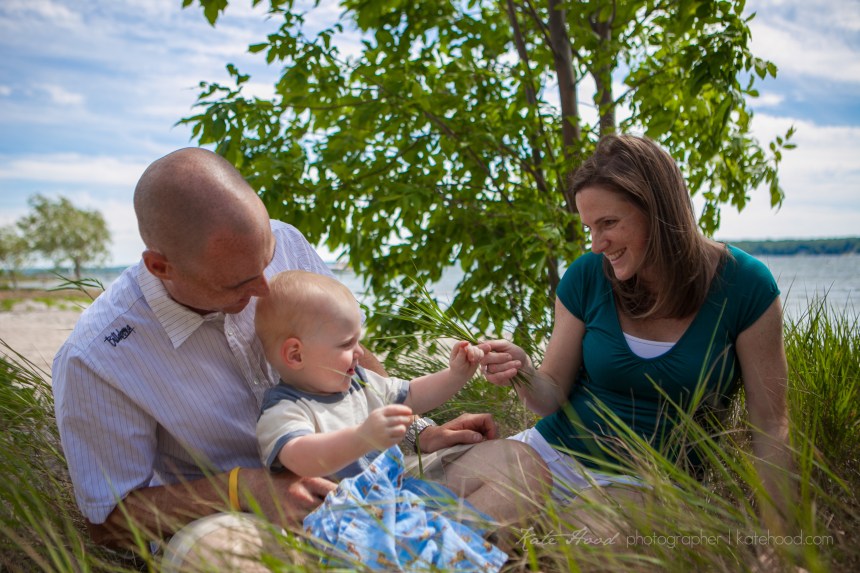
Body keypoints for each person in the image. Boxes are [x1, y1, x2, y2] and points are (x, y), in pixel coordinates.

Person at [52, 147, 548, 554]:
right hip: (252, 524)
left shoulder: (285, 242)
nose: (264, 289)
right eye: (239, 284)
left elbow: (345, 353)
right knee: (214, 558)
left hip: (371, 486)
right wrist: (246, 490)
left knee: (518, 469)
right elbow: (110, 521)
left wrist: (418, 431)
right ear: (161, 267)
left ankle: (399, 557)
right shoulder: (96, 359)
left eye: (266, 262)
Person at [480, 134, 791, 536]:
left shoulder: (745, 286)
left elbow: (770, 425)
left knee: (577, 548)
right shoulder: (587, 276)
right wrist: (523, 369)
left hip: (647, 484)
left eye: (608, 223)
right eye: (589, 227)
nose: (595, 244)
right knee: (468, 529)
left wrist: (783, 544)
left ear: (659, 211)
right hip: (549, 454)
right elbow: (551, 392)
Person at [255, 270, 484, 483]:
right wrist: (361, 437)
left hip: (388, 492)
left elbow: (413, 394)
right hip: (340, 512)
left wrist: (455, 374)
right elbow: (300, 456)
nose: (360, 352)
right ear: (296, 356)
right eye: (346, 344)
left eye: (358, 340)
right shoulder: (284, 408)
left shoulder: (360, 383)